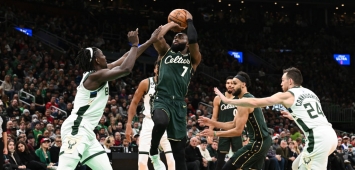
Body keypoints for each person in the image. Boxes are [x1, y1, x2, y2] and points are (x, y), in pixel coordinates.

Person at [57, 26, 162, 170]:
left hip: (87, 132)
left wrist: (150, 40)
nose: (105, 57)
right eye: (102, 55)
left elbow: (126, 57)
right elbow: (126, 69)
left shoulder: (100, 73)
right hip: (77, 128)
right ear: (97, 61)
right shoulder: (94, 76)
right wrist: (134, 44)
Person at [212, 67, 338, 170]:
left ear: (290, 82)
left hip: (318, 138)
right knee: (295, 166)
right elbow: (314, 115)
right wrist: (293, 116)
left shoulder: (287, 95)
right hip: (331, 136)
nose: (280, 83)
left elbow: (256, 103)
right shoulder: (311, 93)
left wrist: (228, 100)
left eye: (283, 80)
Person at [149, 10, 202, 170]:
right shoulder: (165, 52)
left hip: (179, 104)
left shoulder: (193, 59)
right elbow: (156, 37)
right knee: (161, 121)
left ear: (187, 44)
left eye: (180, 37)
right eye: (175, 36)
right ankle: (153, 151)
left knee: (179, 152)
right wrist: (172, 23)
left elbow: (193, 38)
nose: (176, 37)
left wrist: (190, 22)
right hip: (162, 98)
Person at [199, 71, 272, 170]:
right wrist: (211, 122)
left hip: (258, 142)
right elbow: (233, 124)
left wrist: (215, 133)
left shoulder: (244, 102)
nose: (232, 86)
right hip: (263, 141)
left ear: (243, 84)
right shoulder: (245, 100)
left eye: (234, 83)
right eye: (230, 83)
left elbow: (238, 131)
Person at [125, 62, 175, 170]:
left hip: (165, 123)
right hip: (149, 122)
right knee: (142, 163)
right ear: (155, 69)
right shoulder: (146, 83)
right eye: (159, 67)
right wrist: (129, 124)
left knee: (171, 161)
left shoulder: (171, 85)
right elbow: (134, 102)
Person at [209, 76, 243, 170]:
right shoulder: (218, 98)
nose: (230, 85)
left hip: (237, 130)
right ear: (225, 85)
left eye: (232, 83)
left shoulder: (240, 98)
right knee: (220, 158)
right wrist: (210, 132)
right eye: (228, 83)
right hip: (223, 131)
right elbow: (214, 117)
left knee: (239, 157)